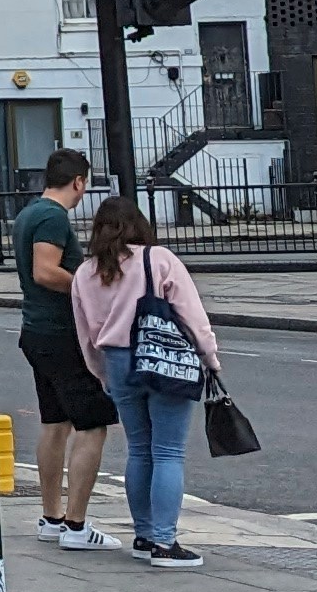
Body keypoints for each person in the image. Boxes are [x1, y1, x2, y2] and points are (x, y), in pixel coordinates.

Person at [72, 197, 222, 568]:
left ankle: (142, 534)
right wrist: (210, 359)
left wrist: (102, 373)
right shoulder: (159, 260)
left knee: (139, 449)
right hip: (163, 359)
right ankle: (165, 542)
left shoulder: (86, 272)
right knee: (168, 451)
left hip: (117, 361)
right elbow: (192, 317)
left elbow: (87, 335)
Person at [12, 150, 114, 548]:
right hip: (61, 334)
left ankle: (51, 517)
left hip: (36, 331)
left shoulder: (28, 214)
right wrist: (87, 288)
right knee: (93, 425)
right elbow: (44, 271)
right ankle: (76, 526)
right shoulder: (53, 218)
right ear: (79, 182)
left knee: (55, 424)